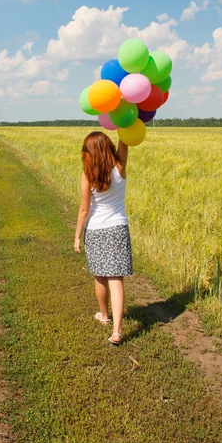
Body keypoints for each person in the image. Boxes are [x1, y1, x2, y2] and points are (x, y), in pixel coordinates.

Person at [74, 131, 133, 346]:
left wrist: (77, 236)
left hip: (96, 229)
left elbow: (84, 209)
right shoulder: (120, 167)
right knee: (116, 278)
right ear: (108, 146)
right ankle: (117, 331)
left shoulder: (88, 175)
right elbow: (125, 142)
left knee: (100, 275)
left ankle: (104, 315)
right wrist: (124, 125)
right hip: (118, 227)